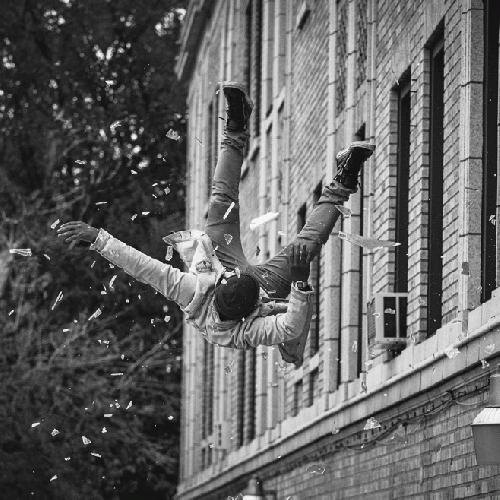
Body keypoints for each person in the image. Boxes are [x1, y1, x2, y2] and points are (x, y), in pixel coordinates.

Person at [57, 82, 374, 368]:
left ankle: (236, 125)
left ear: (221, 284)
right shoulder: (248, 331)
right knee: (304, 248)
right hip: (262, 286)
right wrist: (300, 282)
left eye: (231, 279)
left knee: (221, 199)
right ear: (250, 310)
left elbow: (142, 266)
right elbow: (290, 326)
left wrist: (98, 239)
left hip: (218, 259)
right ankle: (345, 178)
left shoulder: (190, 290)